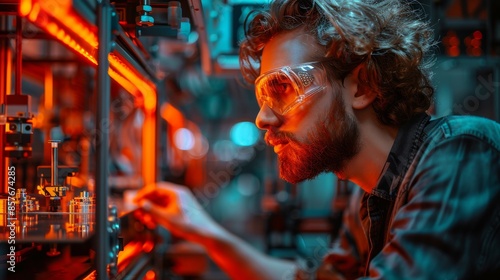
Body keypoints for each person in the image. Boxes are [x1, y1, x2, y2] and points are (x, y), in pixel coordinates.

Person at [135, 0, 500, 279]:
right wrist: (203, 230)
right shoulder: (370, 195)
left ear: (363, 86)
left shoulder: (462, 151)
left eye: (283, 87)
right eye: (263, 97)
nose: (263, 118)